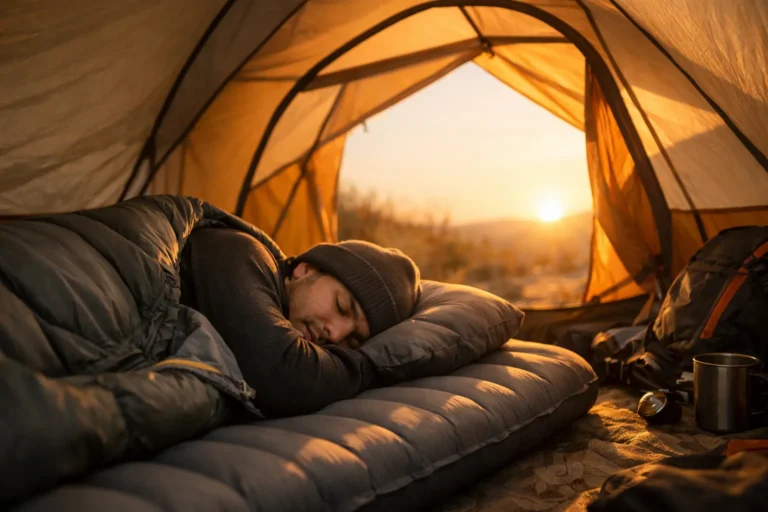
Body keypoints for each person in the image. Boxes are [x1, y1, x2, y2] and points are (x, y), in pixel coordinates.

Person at [179, 228, 421, 416]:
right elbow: (285, 373)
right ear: (305, 269)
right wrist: (373, 366)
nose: (335, 335)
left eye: (354, 339)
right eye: (342, 307)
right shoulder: (241, 253)